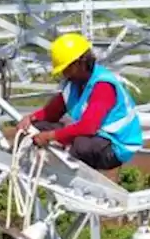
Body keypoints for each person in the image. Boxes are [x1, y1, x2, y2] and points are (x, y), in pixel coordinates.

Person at [13, 31, 142, 171]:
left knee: (81, 144)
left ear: (81, 63)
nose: (65, 74)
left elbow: (88, 127)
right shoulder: (75, 83)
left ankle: (70, 171)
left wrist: (50, 136)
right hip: (96, 137)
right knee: (39, 127)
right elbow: (51, 113)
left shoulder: (103, 86)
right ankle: (30, 164)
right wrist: (30, 118)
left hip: (116, 146)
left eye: (68, 68)